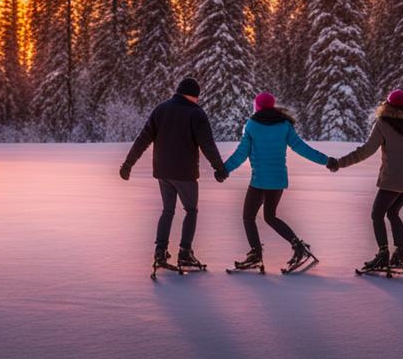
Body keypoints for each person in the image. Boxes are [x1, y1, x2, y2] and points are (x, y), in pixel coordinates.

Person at [119, 77, 227, 273]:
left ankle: (160, 252)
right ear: (193, 96)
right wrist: (219, 168)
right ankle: (185, 253)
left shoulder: (161, 109)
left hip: (163, 172)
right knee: (191, 210)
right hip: (185, 173)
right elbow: (207, 145)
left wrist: (128, 164)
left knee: (168, 211)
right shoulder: (196, 113)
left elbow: (143, 138)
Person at [328, 89, 403, 274]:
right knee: (393, 212)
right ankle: (399, 254)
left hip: (391, 180)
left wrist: (340, 163)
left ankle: (383, 254)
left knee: (377, 214)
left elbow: (365, 151)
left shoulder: (383, 123)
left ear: (387, 104)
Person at [222, 92, 329, 273]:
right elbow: (302, 148)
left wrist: (225, 169)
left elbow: (241, 153)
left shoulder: (252, 125)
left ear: (257, 107)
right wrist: (326, 160)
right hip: (278, 180)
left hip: (259, 181)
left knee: (248, 216)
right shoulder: (284, 125)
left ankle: (256, 255)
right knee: (270, 216)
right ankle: (298, 247)